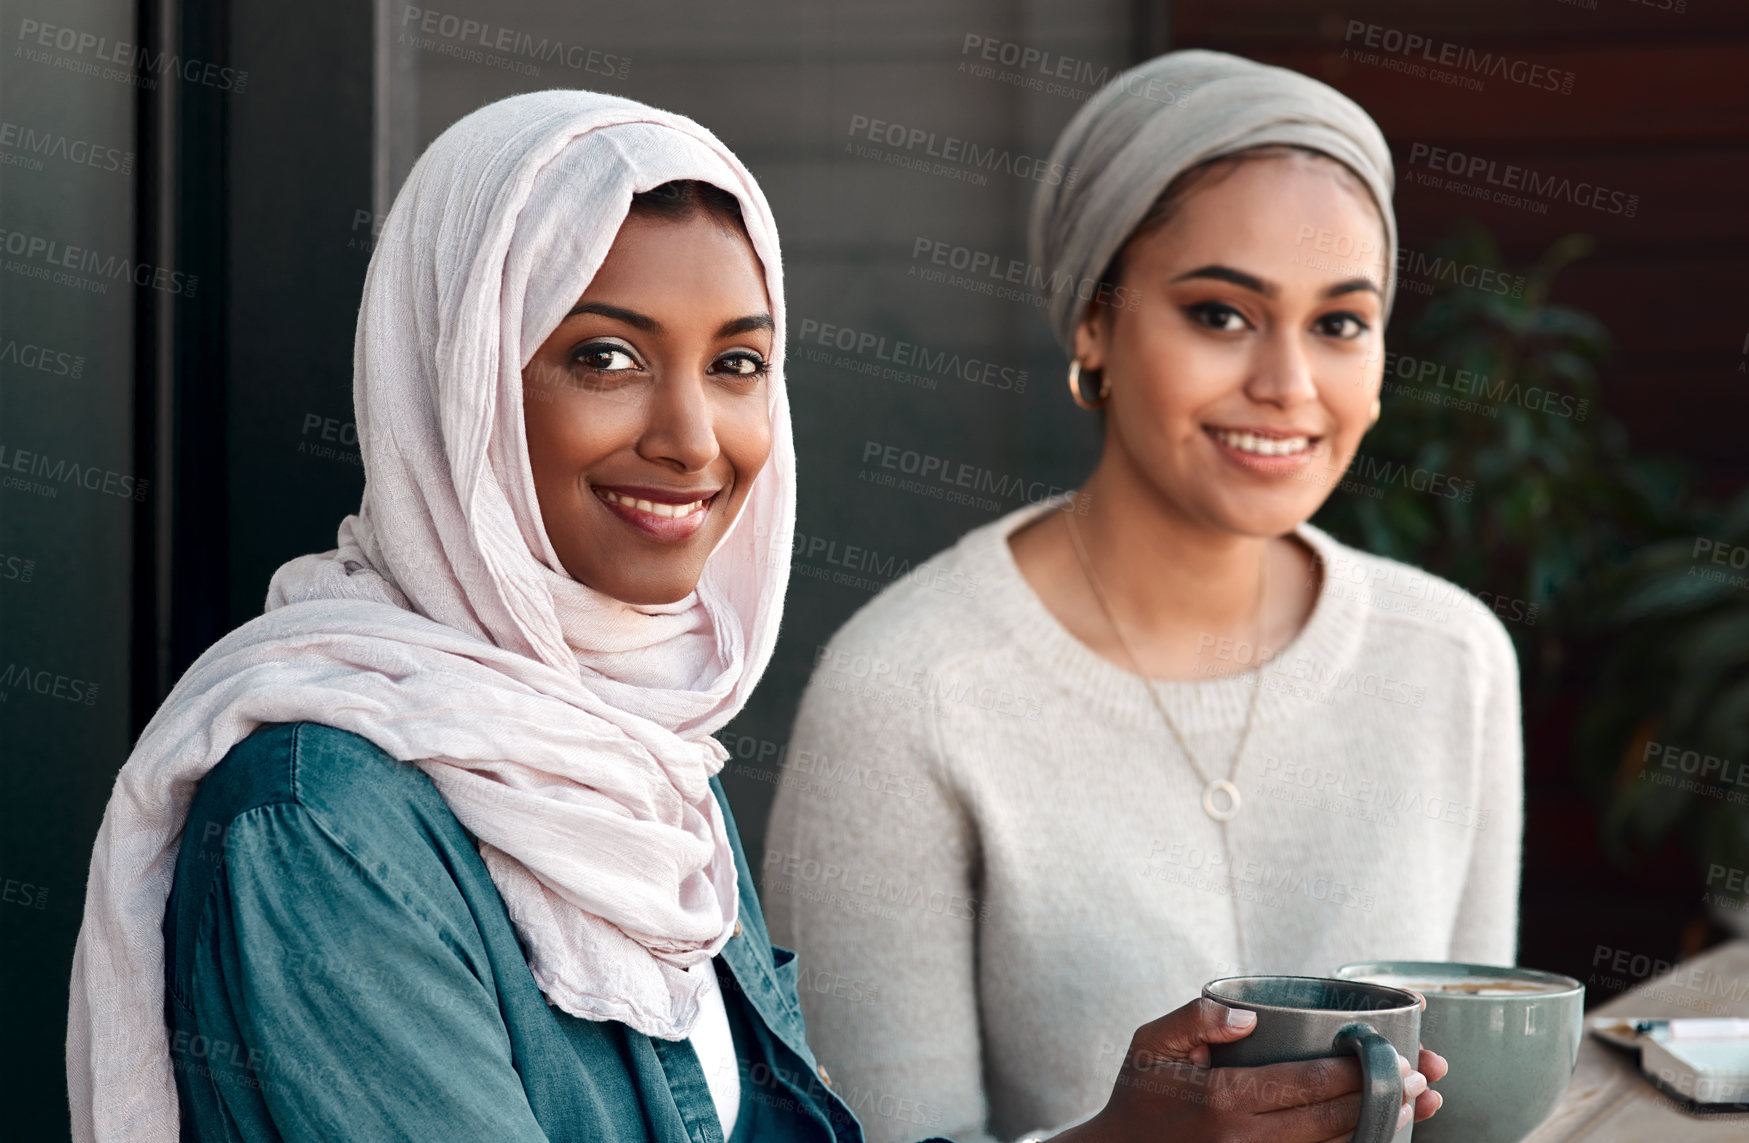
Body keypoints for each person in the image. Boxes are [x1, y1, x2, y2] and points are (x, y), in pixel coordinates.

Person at [65, 87, 1441, 1143]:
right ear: (461, 380)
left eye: (736, 364)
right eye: (603, 355)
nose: (691, 434)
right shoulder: (320, 823)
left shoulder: (638, 752)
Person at [765, 48, 1514, 1143]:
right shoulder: (909, 690)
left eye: (1340, 323)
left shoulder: (1451, 657)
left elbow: (1472, 1117)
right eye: (1220, 314)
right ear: (1093, 326)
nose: (1289, 385)